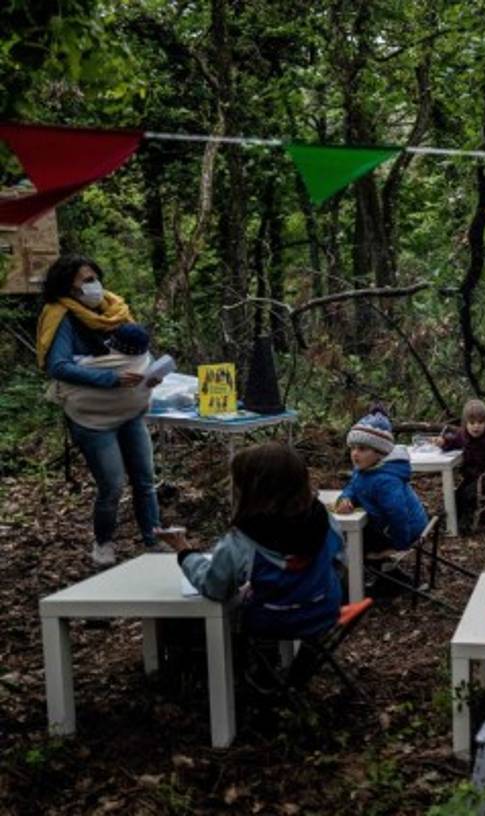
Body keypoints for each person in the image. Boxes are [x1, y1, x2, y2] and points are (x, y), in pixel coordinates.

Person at [37, 254, 161, 566]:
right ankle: (104, 544)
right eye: (86, 280)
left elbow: (137, 350)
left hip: (130, 412)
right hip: (94, 419)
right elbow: (58, 366)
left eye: (95, 277)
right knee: (112, 485)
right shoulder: (61, 316)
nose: (94, 285)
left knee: (145, 480)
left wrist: (149, 372)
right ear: (69, 286)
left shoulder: (114, 309)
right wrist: (110, 378)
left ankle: (154, 541)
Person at [160, 443, 343, 641]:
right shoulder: (323, 519)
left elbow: (215, 588)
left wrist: (185, 552)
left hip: (272, 621)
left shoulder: (242, 540)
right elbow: (338, 560)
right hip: (326, 612)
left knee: (218, 613)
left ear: (248, 491)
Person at [334, 406, 429, 554]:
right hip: (385, 525)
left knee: (350, 543)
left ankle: (361, 573)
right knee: (346, 537)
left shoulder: (386, 481)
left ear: (380, 453)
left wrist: (399, 547)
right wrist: (345, 498)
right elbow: (352, 487)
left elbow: (398, 516)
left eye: (362, 449)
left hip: (405, 532)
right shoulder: (364, 470)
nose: (355, 454)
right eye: (353, 448)